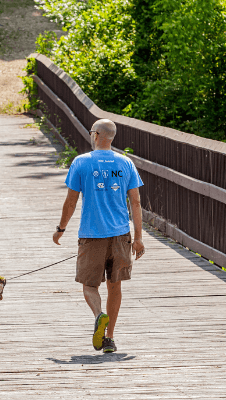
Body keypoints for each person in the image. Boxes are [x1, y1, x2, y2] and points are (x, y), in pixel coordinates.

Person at [52, 118, 145, 353]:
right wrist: (138, 237)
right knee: (115, 286)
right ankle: (110, 339)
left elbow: (71, 201)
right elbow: (136, 202)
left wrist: (61, 228)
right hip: (120, 235)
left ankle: (98, 314)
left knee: (89, 285)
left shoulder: (81, 162)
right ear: (111, 138)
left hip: (91, 235)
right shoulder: (126, 163)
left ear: (95, 135)